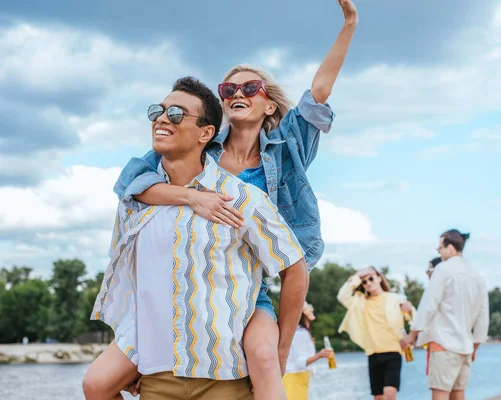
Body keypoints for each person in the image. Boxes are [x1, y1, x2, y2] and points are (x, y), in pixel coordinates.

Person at [85, 1, 359, 399]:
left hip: (254, 281)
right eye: (228, 90)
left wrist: (350, 23)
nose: (236, 94)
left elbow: (319, 91)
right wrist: (189, 198)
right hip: (196, 283)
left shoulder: (287, 147)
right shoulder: (201, 150)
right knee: (99, 381)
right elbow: (132, 183)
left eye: (250, 88)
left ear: (269, 104)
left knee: (264, 358)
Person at [84, 77, 307, 400]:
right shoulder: (135, 203)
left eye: (176, 114)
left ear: (206, 133)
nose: (161, 119)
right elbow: (130, 282)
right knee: (94, 385)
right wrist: (129, 353)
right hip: (159, 374)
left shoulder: (242, 199)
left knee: (265, 359)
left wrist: (282, 348)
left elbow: (294, 266)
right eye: (157, 112)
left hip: (225, 375)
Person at [401, 230, 490, 400]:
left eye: (440, 248)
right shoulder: (477, 277)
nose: (439, 253)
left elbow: (429, 304)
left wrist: (412, 334)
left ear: (450, 247)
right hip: (465, 347)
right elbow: (483, 315)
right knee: (458, 393)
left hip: (444, 343)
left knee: (440, 393)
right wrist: (476, 345)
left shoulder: (443, 270)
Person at [337, 267, 415, 400]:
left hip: (393, 352)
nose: (368, 283)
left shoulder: (395, 298)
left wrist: (410, 314)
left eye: (371, 278)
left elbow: (414, 319)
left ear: (379, 278)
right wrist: (357, 276)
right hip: (373, 353)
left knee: (390, 393)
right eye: (364, 281)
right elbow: (342, 296)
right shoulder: (360, 302)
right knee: (378, 397)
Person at [282, 302, 332, 400]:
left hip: (293, 378)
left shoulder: (295, 332)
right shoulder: (301, 333)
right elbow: (300, 362)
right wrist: (320, 355)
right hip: (296, 378)